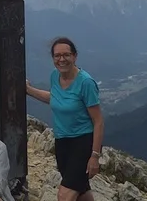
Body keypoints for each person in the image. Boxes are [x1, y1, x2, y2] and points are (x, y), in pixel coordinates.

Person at [24, 37, 104, 201]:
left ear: (74, 56)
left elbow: (98, 121)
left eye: (66, 55)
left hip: (82, 143)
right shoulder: (55, 76)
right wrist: (28, 90)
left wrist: (95, 156)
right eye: (57, 56)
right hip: (62, 143)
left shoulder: (86, 83)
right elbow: (55, 98)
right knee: (81, 193)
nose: (62, 59)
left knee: (65, 195)